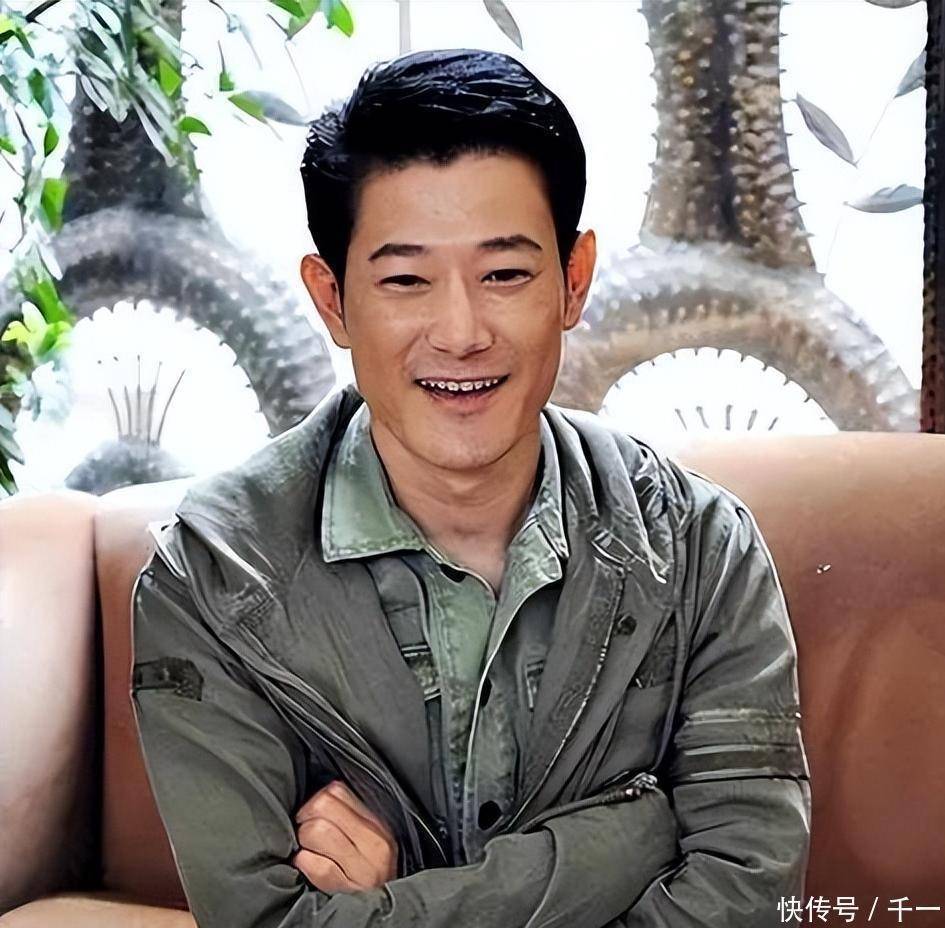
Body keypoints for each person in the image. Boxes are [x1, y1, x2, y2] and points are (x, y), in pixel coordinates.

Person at [131, 47, 811, 928]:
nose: (460, 333)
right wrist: (624, 842)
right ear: (332, 300)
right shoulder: (216, 578)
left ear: (573, 281)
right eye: (406, 280)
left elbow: (748, 899)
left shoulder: (701, 550)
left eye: (505, 275)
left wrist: (402, 887)